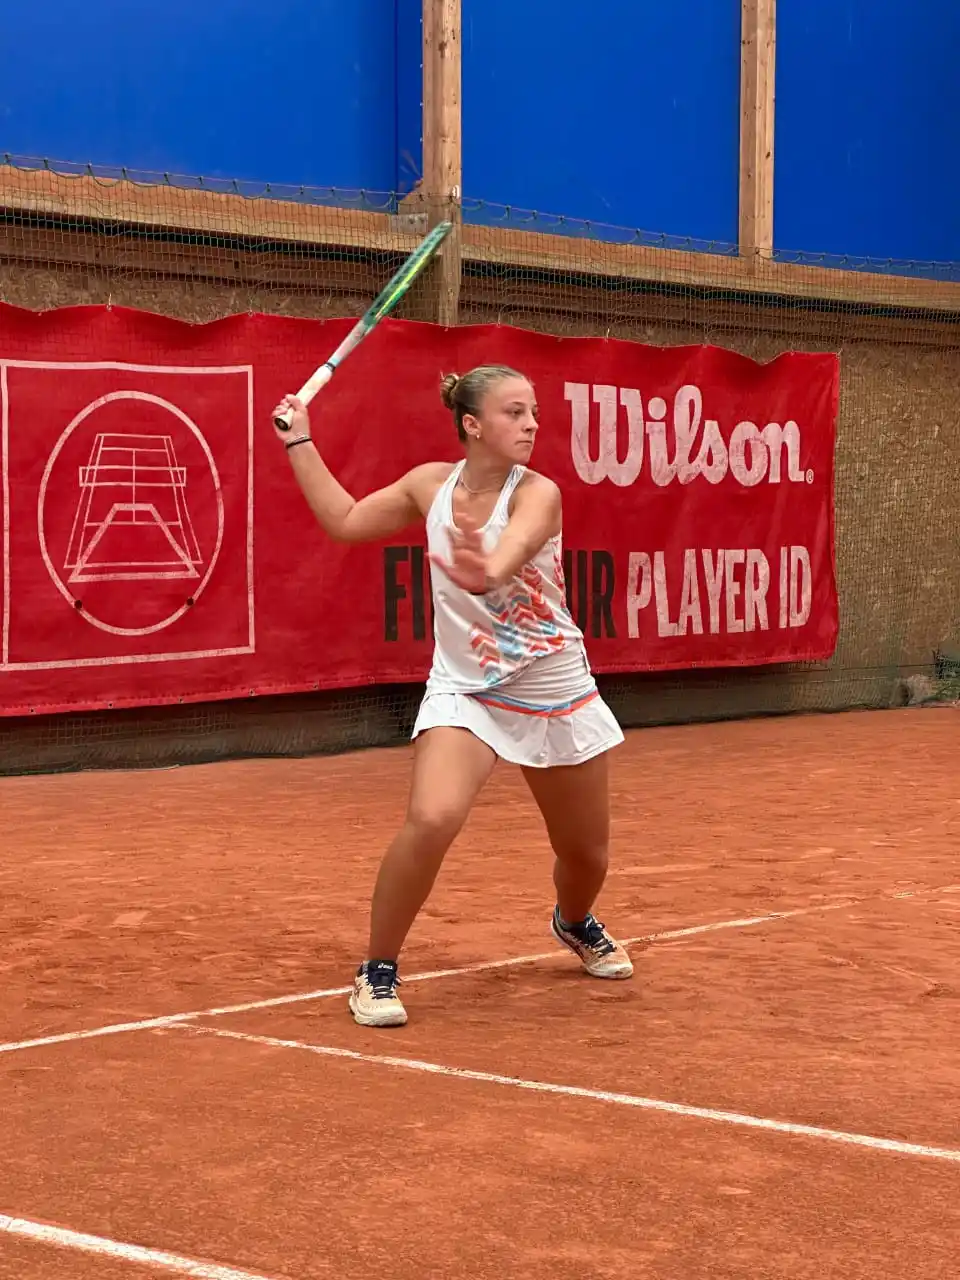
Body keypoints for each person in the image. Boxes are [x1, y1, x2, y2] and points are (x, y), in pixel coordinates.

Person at [271, 364, 633, 1028]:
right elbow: (346, 520)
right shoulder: (426, 485)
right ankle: (376, 971)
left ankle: (574, 921)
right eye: (515, 413)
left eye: (534, 413)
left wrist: (486, 567)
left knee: (585, 854)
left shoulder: (540, 493)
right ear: (473, 425)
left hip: (555, 688)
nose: (531, 425)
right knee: (433, 818)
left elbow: (513, 549)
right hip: (467, 689)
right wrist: (300, 442)